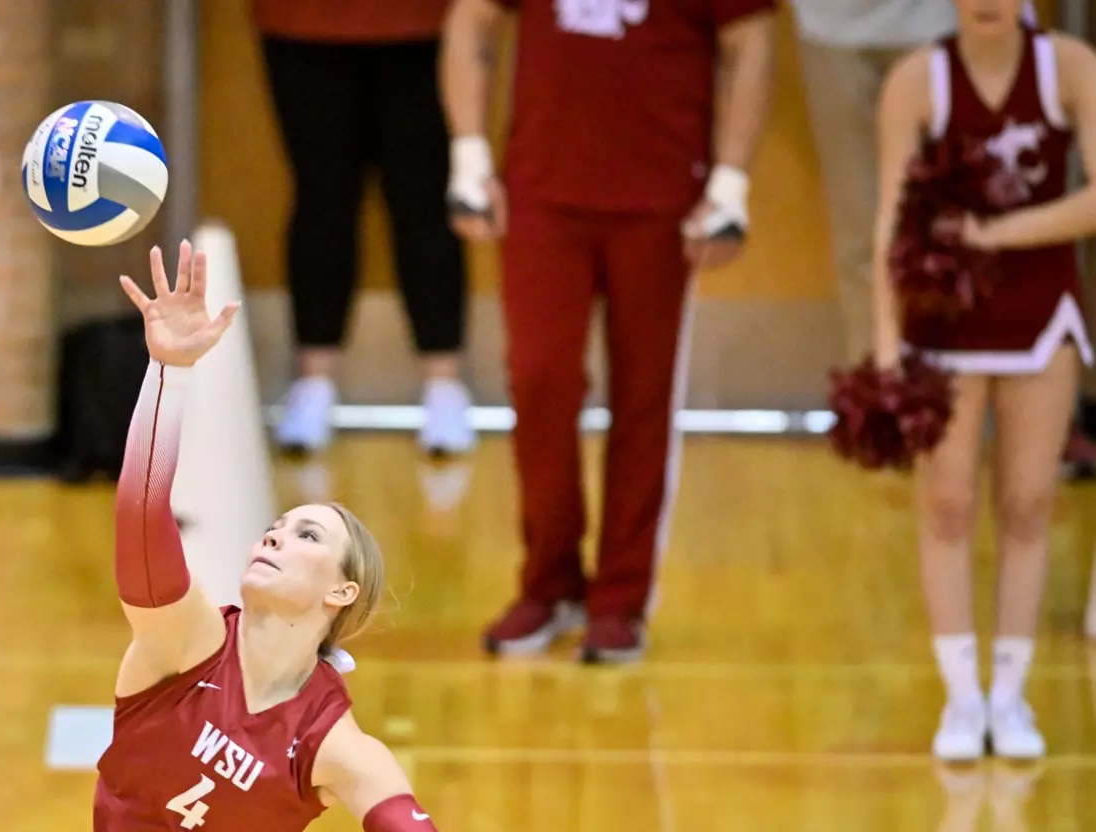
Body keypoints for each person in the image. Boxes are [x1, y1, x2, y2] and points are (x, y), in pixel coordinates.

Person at [71, 241, 518, 832]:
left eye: (308, 534)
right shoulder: (183, 646)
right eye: (276, 524)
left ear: (340, 592)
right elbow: (139, 525)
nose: (276, 533)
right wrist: (168, 374)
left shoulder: (332, 740)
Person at [440, 0, 778, 664]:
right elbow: (471, 20)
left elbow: (752, 41)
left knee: (644, 399)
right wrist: (470, 157)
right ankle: (549, 584)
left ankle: (621, 599)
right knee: (539, 381)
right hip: (543, 191)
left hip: (662, 198)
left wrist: (731, 183)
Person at [873, 0, 1096, 759]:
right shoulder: (917, 79)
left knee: (1029, 503)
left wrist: (994, 234)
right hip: (944, 323)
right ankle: (962, 700)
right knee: (946, 503)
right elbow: (890, 218)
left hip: (1043, 316)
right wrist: (885, 346)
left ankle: (1011, 697)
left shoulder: (1068, 68)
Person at [257, 0, 477, 457]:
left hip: (426, 23)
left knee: (426, 202)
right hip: (303, 22)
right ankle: (313, 384)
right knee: (322, 197)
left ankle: (444, 387)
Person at [791, 0, 958, 362]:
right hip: (831, 29)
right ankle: (874, 383)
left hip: (940, 23)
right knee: (860, 231)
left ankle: (957, 384)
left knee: (951, 227)